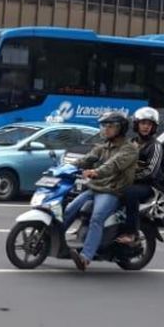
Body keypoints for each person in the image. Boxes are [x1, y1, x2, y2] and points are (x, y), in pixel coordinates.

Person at [63, 112, 139, 271]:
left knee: (97, 218)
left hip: (112, 190)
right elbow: (86, 159)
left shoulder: (129, 149)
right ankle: (53, 239)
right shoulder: (104, 146)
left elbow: (113, 164)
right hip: (95, 187)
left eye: (110, 126)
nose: (105, 129)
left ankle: (85, 257)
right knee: (70, 209)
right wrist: (66, 167)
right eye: (104, 126)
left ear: (120, 129)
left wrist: (95, 172)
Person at [117, 107, 164, 245]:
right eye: (143, 123)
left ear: (153, 127)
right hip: (127, 181)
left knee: (130, 193)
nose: (145, 127)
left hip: (147, 186)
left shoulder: (155, 146)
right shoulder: (130, 143)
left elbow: (150, 171)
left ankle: (131, 233)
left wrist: (129, 177)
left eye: (149, 124)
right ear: (137, 124)